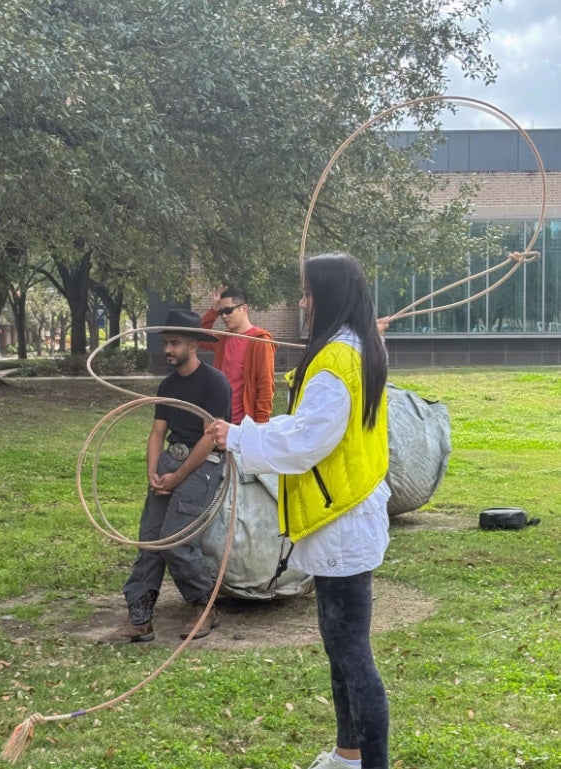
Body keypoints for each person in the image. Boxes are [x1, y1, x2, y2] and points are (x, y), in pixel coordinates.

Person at [207, 253, 391, 769]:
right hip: (347, 517)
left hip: (344, 522)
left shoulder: (337, 361)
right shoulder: (357, 347)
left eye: (309, 293)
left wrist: (237, 435)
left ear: (329, 296)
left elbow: (307, 438)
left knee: (353, 657)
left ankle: (369, 763)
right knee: (342, 650)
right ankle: (348, 754)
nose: (303, 302)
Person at [105, 309, 232, 643]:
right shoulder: (168, 385)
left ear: (193, 344)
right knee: (150, 541)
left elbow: (211, 437)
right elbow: (157, 432)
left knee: (175, 541)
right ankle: (140, 618)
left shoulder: (214, 383)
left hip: (203, 466)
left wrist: (178, 476)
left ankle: (205, 606)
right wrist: (154, 470)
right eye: (166, 343)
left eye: (174, 343)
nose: (168, 350)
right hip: (170, 462)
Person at [200, 287, 275, 423]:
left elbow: (266, 385)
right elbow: (198, 337)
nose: (223, 316)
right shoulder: (223, 338)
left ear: (244, 308)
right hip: (219, 419)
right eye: (221, 312)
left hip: (244, 423)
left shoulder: (260, 340)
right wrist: (213, 311)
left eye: (228, 311)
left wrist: (261, 423)